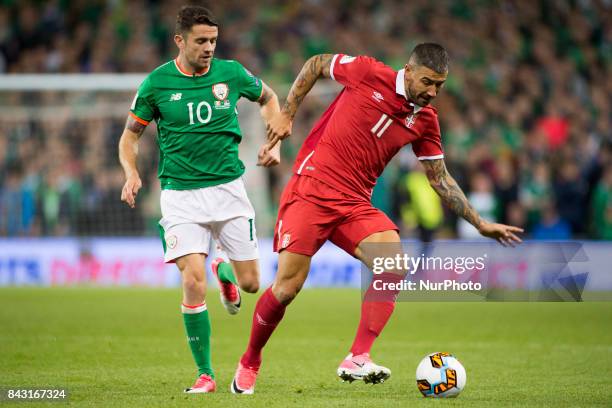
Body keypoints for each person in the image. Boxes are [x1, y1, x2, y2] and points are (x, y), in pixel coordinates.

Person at [230, 44, 523, 394]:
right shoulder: (369, 72)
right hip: (312, 189)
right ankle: (250, 361)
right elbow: (317, 64)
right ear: (409, 71)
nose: (432, 92)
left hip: (355, 203)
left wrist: (479, 223)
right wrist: (287, 114)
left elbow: (439, 178)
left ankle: (357, 356)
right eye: (428, 82)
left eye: (440, 86)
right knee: (287, 288)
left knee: (393, 264)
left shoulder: (426, 120)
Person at [118, 5, 281, 394]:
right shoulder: (156, 84)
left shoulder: (232, 73)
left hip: (228, 190)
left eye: (213, 41)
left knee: (253, 283)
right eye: (201, 41)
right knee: (191, 281)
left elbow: (270, 97)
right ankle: (205, 374)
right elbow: (129, 137)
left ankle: (223, 264)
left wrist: (275, 141)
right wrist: (131, 172)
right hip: (180, 195)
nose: (209, 48)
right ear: (180, 40)